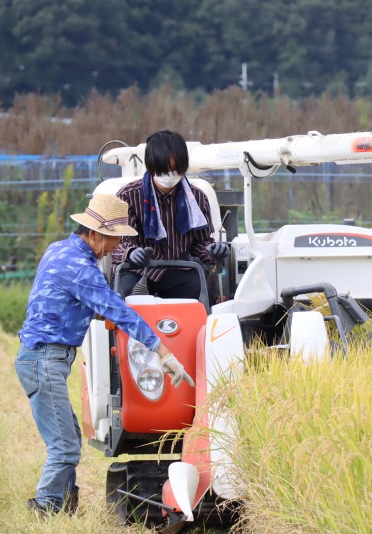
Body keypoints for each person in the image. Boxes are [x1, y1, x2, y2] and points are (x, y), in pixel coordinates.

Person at [15, 193, 194, 516]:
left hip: (42, 357)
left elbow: (71, 302)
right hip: (45, 359)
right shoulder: (81, 268)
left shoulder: (59, 250)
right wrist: (163, 352)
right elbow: (118, 311)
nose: (115, 247)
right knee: (65, 446)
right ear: (94, 233)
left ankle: (65, 510)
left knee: (67, 436)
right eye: (113, 239)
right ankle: (44, 511)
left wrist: (97, 312)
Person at [112, 129, 229, 301]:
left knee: (202, 296)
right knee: (124, 298)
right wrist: (131, 253)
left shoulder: (196, 198)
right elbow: (118, 241)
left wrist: (213, 251)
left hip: (177, 270)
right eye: (163, 170)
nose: (169, 176)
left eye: (175, 170)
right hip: (136, 270)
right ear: (151, 166)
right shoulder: (128, 196)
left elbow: (201, 242)